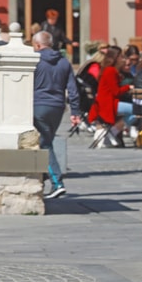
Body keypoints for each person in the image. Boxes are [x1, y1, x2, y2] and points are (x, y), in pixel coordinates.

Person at [32, 31, 81, 199]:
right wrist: (75, 111)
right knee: (46, 141)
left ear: (37, 45)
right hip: (58, 108)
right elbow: (73, 90)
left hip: (38, 105)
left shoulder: (34, 60)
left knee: (45, 144)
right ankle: (44, 175)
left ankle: (57, 182)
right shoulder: (64, 62)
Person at [88, 45, 133, 147]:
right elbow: (116, 92)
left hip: (105, 102)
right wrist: (128, 87)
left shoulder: (109, 70)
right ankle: (114, 131)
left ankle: (113, 131)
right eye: (121, 57)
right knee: (136, 110)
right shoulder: (110, 71)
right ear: (115, 58)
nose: (123, 59)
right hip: (108, 104)